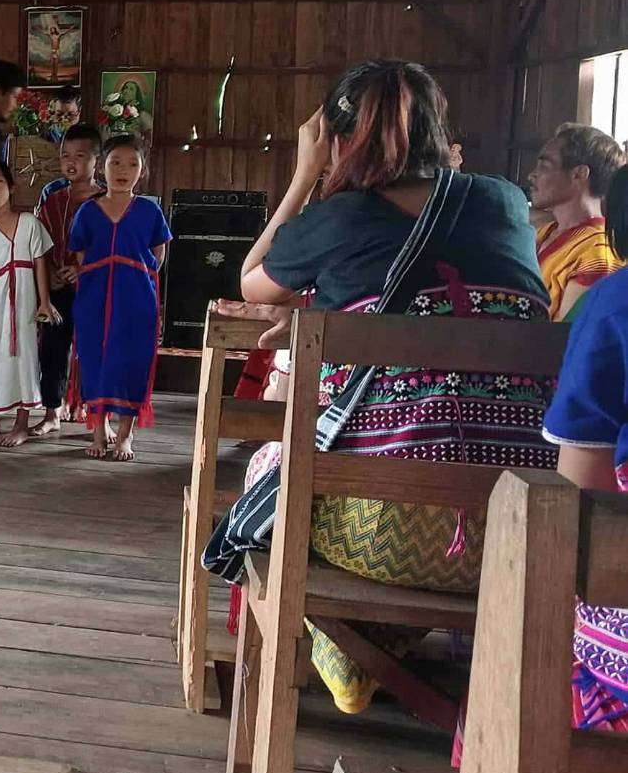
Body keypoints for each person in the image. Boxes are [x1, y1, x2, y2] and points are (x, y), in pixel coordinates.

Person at [206, 59, 556, 715]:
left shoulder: (335, 219)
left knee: (270, 469)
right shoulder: (505, 202)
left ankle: (343, 643)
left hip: (377, 532)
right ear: (438, 130)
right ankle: (373, 647)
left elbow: (250, 280)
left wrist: (304, 173)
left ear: (337, 140)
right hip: (523, 526)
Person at [539, 165, 628, 742]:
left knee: (533, 632)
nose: (533, 173)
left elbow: (581, 493)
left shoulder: (612, 299)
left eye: (546, 163)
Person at [69, 136, 171, 461]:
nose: (123, 170)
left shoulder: (149, 210)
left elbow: (159, 253)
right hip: (93, 300)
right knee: (96, 360)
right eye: (115, 162)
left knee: (132, 361)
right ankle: (98, 433)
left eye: (132, 164)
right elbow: (80, 254)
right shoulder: (87, 211)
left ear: (142, 170)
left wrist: (139, 280)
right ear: (102, 166)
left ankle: (125, 436)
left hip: (137, 300)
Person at [0, 159, 57, 448]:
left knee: (25, 361)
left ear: (11, 187)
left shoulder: (29, 223)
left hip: (26, 307)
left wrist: (44, 302)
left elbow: (40, 262)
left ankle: (21, 424)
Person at [34, 123, 101, 436]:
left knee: (91, 350)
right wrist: (48, 274)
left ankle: (93, 413)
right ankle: (52, 412)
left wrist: (84, 270)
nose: (71, 162)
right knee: (53, 349)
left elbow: (110, 249)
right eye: (65, 156)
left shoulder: (106, 201)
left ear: (96, 161)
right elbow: (39, 244)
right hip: (58, 289)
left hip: (94, 290)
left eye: (80, 155)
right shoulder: (54, 200)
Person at [528, 122, 626, 321]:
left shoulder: (597, 252)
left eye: (545, 166)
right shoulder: (542, 232)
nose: (532, 175)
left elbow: (567, 337)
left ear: (579, 174)